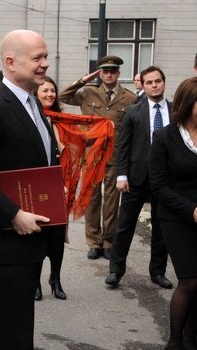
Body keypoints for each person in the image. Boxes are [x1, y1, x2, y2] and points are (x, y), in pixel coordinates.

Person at [0, 29, 65, 350]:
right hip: (7, 243)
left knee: (13, 327)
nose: (45, 64)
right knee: (4, 332)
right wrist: (12, 214)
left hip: (31, 243)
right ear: (10, 62)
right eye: (37, 58)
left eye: (46, 57)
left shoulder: (33, 104)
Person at [59, 55, 136, 260]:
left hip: (115, 155)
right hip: (91, 154)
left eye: (112, 71)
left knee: (112, 200)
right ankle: (94, 242)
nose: (109, 74)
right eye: (105, 71)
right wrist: (84, 80)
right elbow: (63, 97)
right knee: (92, 199)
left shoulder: (129, 98)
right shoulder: (88, 93)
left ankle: (109, 241)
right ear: (100, 74)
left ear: (118, 73)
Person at [105, 66, 172, 289]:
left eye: (158, 81)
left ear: (164, 82)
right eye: (149, 82)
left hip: (166, 179)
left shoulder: (175, 111)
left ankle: (157, 272)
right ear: (142, 85)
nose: (154, 85)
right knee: (125, 225)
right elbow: (122, 147)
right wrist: (121, 175)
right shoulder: (133, 111)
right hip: (136, 178)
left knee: (161, 227)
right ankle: (115, 270)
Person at [149, 77, 197, 350]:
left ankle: (192, 338)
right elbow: (158, 186)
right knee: (189, 279)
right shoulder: (165, 136)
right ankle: (175, 340)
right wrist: (191, 210)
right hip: (175, 216)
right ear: (189, 103)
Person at [33, 76, 67, 301]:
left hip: (58, 184)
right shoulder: (32, 118)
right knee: (37, 233)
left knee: (56, 235)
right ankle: (34, 281)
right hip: (34, 184)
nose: (49, 95)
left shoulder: (62, 121)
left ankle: (55, 278)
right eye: (44, 91)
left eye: (52, 91)